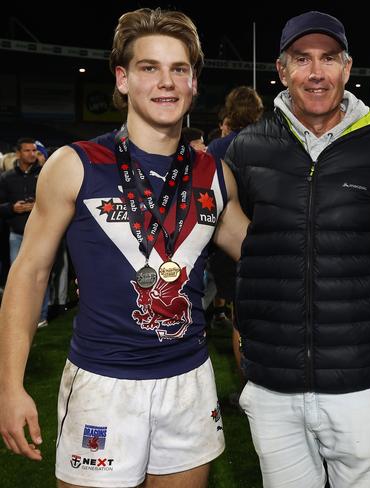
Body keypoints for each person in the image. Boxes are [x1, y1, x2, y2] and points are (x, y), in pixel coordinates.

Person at [0, 8, 248, 488]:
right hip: (103, 383)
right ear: (123, 78)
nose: (166, 82)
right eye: (149, 68)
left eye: (179, 69)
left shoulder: (215, 175)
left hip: (189, 381)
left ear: (194, 82)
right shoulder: (76, 164)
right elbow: (28, 275)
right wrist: (10, 386)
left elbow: (259, 250)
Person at [225, 10, 370, 488]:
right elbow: (232, 233)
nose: (316, 73)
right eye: (302, 59)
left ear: (347, 68)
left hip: (361, 382)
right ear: (282, 69)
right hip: (274, 383)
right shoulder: (244, 149)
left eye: (329, 59)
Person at [0, 137, 50, 328]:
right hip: (17, 233)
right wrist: (13, 208)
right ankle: (19, 315)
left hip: (41, 234)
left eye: (34, 150)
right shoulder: (7, 177)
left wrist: (39, 205)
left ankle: (41, 316)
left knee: (40, 275)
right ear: (19, 153)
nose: (32, 154)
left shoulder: (46, 173)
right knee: (17, 278)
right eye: (27, 150)